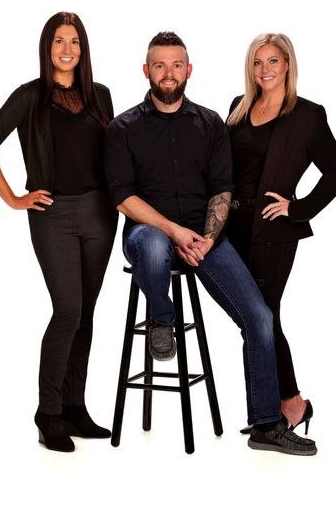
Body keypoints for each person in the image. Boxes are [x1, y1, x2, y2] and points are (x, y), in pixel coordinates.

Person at [105, 31, 317, 455]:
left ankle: (265, 424)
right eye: (160, 65)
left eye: (176, 65)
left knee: (260, 316)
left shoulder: (211, 124)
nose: (169, 73)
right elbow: (123, 197)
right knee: (153, 247)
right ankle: (162, 322)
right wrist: (173, 230)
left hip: (205, 236)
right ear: (146, 71)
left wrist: (205, 238)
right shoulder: (123, 127)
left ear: (189, 70)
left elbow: (223, 188)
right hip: (149, 232)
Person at [0, 12, 118, 452]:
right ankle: (48, 413)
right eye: (59, 41)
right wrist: (15, 198)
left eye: (74, 41)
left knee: (87, 314)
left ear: (83, 48)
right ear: (47, 47)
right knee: (67, 311)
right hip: (52, 214)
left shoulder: (101, 96)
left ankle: (75, 407)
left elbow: (114, 154)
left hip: (99, 215)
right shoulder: (30, 96)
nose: (67, 49)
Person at [226, 33, 336, 435]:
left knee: (262, 316)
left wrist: (296, 208)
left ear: (288, 65)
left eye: (274, 61)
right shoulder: (239, 108)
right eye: (258, 62)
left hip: (273, 232)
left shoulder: (307, 115)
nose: (266, 70)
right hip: (233, 228)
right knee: (256, 318)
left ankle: (288, 404)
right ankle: (280, 405)